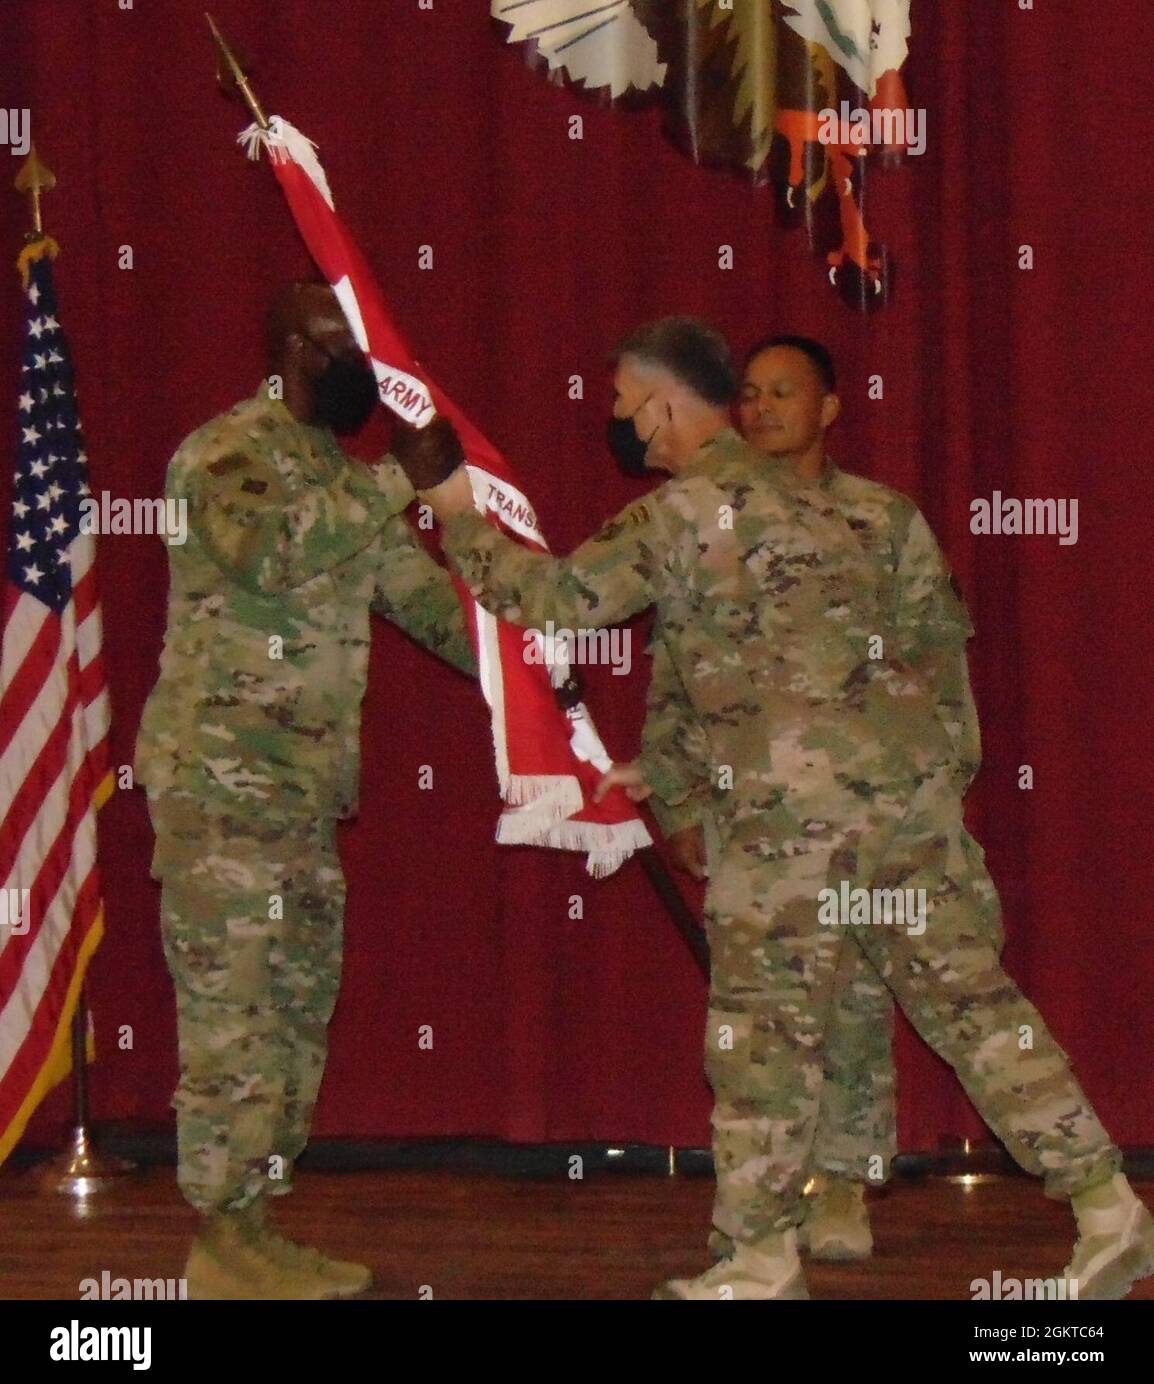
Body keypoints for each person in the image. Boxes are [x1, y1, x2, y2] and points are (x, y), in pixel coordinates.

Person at [393, 316, 1154, 1300]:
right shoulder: (857, 516)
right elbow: (766, 663)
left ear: (664, 400)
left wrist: (453, 511)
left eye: (624, 402)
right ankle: (1106, 1207)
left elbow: (557, 600)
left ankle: (757, 1259)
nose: (620, 421)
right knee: (973, 1012)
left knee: (760, 1042)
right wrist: (675, 770)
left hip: (786, 836)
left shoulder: (683, 513)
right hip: (900, 824)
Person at [134, 282, 476, 1300]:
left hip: (300, 804)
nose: (357, 367)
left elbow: (422, 604)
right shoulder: (221, 454)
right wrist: (393, 482)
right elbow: (268, 551)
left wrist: (524, 660)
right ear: (290, 347)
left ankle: (251, 1227)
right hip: (222, 794)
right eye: (338, 345)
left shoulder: (335, 471)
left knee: (289, 1019)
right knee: (230, 1025)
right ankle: (216, 1240)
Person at [637, 335, 998, 1262]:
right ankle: (762, 1206)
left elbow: (936, 657)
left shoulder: (882, 522)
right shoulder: (704, 521)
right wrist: (677, 798)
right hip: (751, 810)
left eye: (784, 392)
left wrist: (940, 786)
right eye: (749, 393)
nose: (762, 408)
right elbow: (677, 669)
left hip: (872, 807)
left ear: (831, 408)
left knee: (856, 996)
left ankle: (839, 1181)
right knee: (761, 1015)